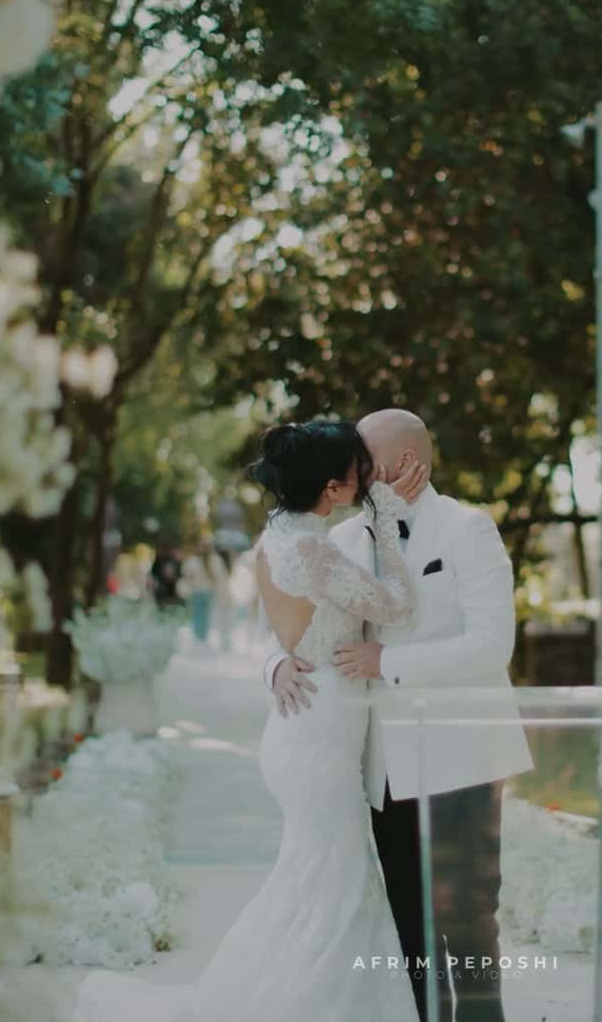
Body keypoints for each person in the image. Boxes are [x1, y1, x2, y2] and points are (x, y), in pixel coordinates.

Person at [266, 409, 533, 1022]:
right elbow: (295, 625)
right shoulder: (340, 540)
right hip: (381, 761)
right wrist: (272, 667)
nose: (354, 473)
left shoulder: (469, 528)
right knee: (408, 926)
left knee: (468, 918)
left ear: (410, 462)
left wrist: (387, 661)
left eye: (367, 460)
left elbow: (493, 645)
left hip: (461, 755)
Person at [180, 420, 430, 1021]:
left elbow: (281, 627)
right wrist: (391, 527)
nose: (369, 476)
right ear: (333, 488)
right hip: (318, 739)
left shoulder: (275, 536)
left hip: (304, 729)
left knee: (317, 889)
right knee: (336, 891)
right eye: (358, 469)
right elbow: (398, 604)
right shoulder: (314, 550)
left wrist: (274, 661)